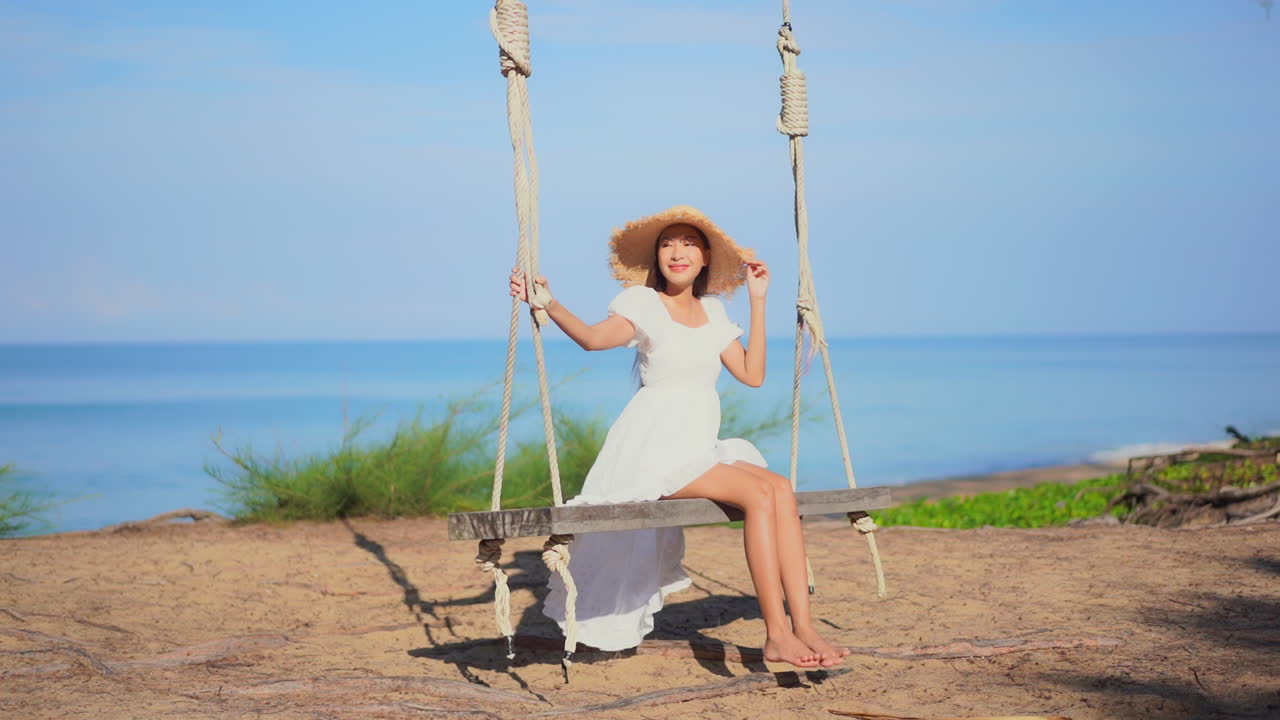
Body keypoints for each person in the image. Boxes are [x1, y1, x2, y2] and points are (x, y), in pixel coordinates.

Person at [508, 205, 849, 668]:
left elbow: (752, 375)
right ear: (657, 257)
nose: (676, 251)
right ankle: (776, 635)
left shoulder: (713, 311)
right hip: (654, 450)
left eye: (689, 243)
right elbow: (591, 339)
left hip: (697, 446)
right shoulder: (643, 303)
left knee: (780, 489)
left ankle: (803, 627)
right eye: (667, 244)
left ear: (705, 257)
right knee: (758, 496)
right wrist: (548, 302)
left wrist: (759, 299)